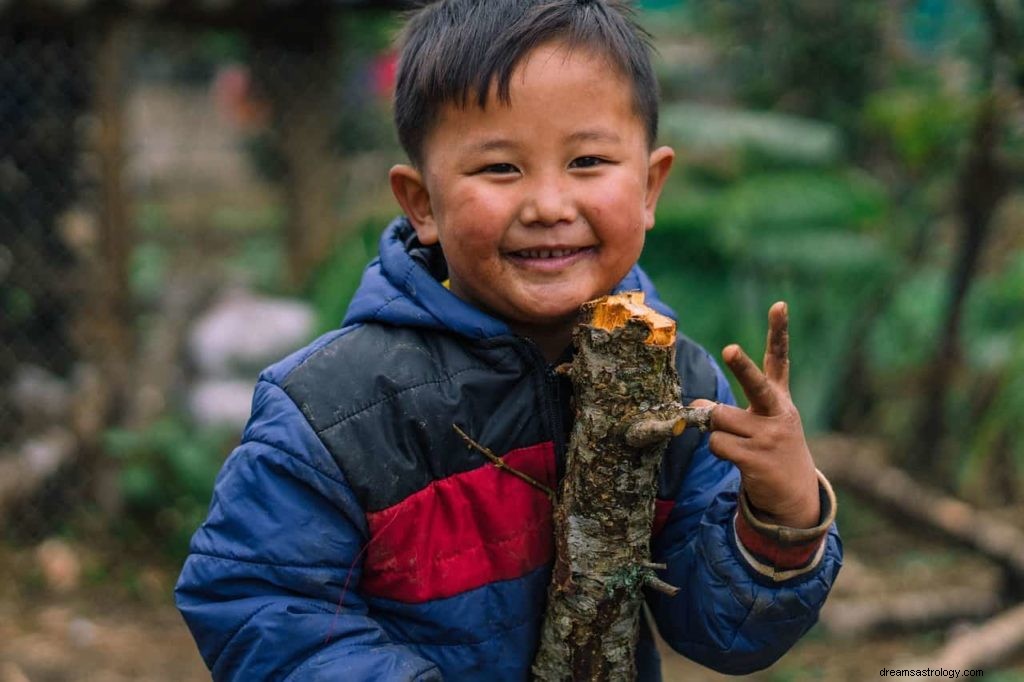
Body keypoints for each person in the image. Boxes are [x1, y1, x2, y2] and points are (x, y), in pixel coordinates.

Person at [175, 1, 842, 679]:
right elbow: (252, 599)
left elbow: (727, 632)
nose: (549, 205)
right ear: (422, 203)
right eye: (500, 169)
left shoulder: (678, 387)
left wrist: (782, 511)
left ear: (649, 186)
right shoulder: (335, 410)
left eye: (586, 160)